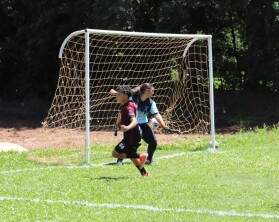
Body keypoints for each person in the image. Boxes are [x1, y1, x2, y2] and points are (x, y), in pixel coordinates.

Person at [110, 83, 167, 165]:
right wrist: (115, 92)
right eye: (152, 90)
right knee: (130, 142)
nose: (154, 92)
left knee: (153, 142)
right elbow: (123, 95)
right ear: (147, 91)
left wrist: (163, 125)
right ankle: (120, 159)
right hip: (133, 124)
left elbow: (157, 115)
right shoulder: (132, 98)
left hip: (144, 124)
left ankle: (148, 160)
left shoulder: (151, 103)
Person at [112, 85, 149, 176]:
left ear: (124, 95)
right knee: (131, 155)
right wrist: (118, 124)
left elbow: (134, 121)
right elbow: (127, 93)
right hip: (132, 135)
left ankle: (140, 156)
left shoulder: (128, 108)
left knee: (115, 153)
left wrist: (127, 127)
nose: (116, 97)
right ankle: (144, 173)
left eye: (118, 95)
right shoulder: (128, 102)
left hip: (132, 136)